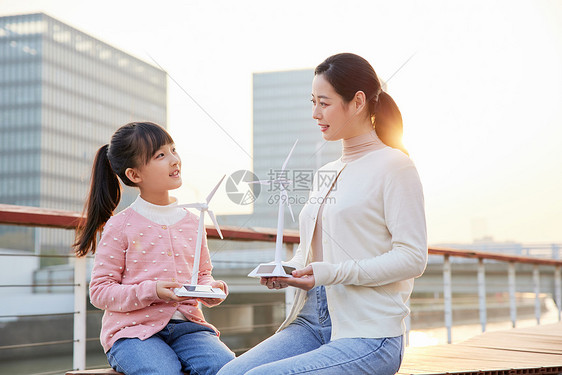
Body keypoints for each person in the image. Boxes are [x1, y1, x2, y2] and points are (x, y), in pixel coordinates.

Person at [218, 53, 427, 375]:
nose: (315, 113)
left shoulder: (395, 166)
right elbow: (312, 251)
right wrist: (290, 271)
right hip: (312, 322)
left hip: (370, 334)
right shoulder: (326, 172)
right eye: (312, 102)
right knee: (228, 374)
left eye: (324, 103)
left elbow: (412, 258)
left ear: (357, 102)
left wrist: (331, 272)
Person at [74, 122, 234, 375]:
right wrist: (152, 291)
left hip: (189, 328)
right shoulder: (121, 225)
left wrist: (211, 288)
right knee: (162, 372)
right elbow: (100, 291)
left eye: (173, 150)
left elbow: (202, 273)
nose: (174, 160)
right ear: (134, 175)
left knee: (226, 368)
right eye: (161, 155)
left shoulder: (194, 221)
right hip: (132, 333)